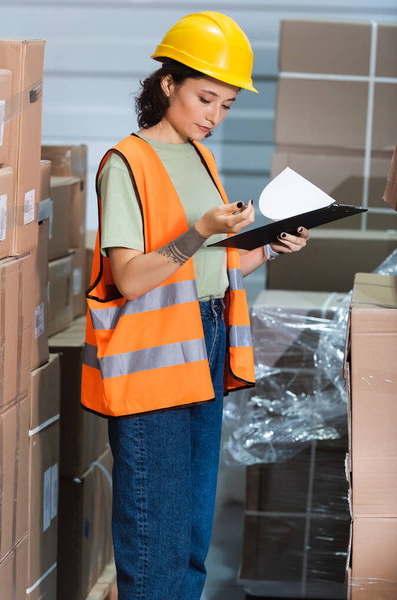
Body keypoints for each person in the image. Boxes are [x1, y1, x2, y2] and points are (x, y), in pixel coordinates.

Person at [81, 11, 309, 600]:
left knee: (190, 539)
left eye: (227, 105)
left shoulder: (201, 159)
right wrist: (200, 231)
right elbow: (130, 279)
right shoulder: (124, 164)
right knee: (155, 539)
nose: (215, 116)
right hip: (151, 363)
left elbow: (213, 268)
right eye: (206, 98)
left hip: (203, 346)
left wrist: (271, 248)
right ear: (168, 84)